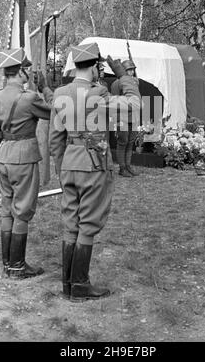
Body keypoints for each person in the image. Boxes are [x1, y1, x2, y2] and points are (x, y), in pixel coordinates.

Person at [49, 42, 141, 302]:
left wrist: (62, 167)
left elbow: (55, 138)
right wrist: (124, 76)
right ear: (95, 67)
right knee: (87, 224)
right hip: (93, 164)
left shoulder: (60, 93)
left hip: (69, 162)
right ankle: (80, 285)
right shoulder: (98, 93)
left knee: (71, 222)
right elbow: (135, 105)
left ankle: (68, 285)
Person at [0, 48, 51, 279]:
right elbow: (52, 112)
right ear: (22, 71)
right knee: (22, 210)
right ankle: (17, 266)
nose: (30, 73)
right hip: (24, 156)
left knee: (7, 208)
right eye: (28, 69)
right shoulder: (29, 98)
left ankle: (7, 264)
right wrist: (44, 88)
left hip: (3, 156)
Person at [110, 59, 140, 177]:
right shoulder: (116, 84)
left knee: (131, 142)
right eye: (129, 70)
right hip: (121, 116)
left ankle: (128, 166)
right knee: (122, 142)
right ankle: (122, 168)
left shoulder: (135, 82)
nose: (131, 72)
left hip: (133, 117)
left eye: (132, 69)